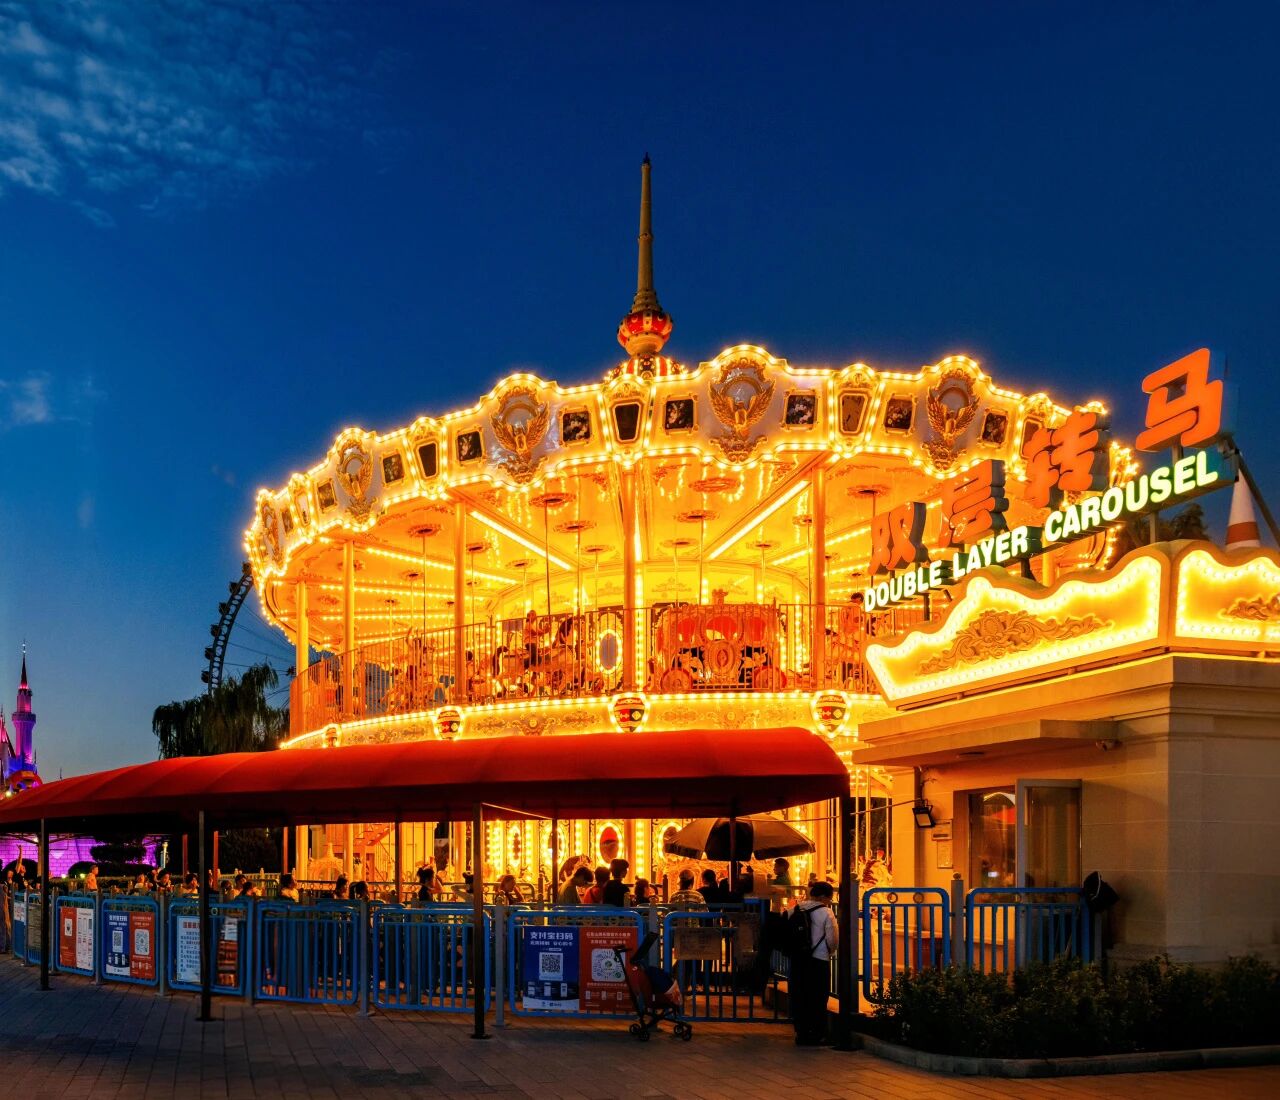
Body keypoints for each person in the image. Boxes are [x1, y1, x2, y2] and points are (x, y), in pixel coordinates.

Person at [788, 881, 837, 1046]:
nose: (830, 901)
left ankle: (801, 1032)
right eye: (830, 898)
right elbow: (833, 938)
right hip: (819, 960)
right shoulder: (827, 913)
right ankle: (816, 1033)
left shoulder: (796, 909)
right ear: (823, 897)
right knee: (818, 997)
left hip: (799, 960)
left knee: (800, 995)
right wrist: (830, 951)